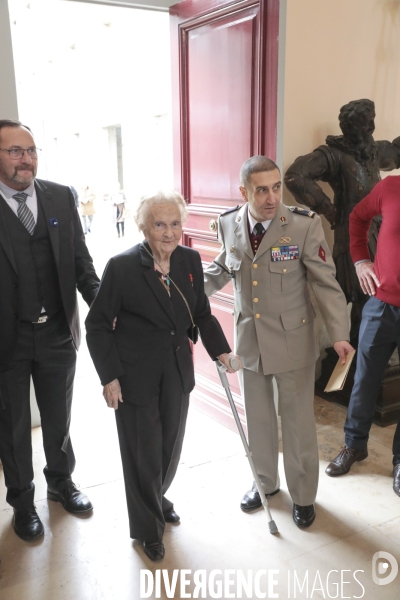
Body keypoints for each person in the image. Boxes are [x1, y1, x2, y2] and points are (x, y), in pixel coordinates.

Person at [85, 191, 241, 561]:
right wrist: (109, 377)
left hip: (176, 372)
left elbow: (201, 313)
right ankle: (147, 529)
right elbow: (97, 326)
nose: (169, 232)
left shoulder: (188, 260)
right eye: (159, 224)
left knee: (169, 448)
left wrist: (223, 351)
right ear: (144, 227)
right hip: (134, 376)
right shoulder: (122, 267)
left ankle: (156, 497)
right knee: (142, 454)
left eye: (175, 223)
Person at [204, 156, 353, 528]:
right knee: (259, 420)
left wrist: (339, 334)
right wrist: (179, 293)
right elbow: (222, 268)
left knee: (299, 423)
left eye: (276, 188)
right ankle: (265, 484)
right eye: (261, 190)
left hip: (292, 340)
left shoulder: (303, 225)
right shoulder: (228, 224)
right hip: (250, 342)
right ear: (244, 191)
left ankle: (303, 495)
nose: (272, 198)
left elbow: (325, 282)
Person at [0, 120, 100, 541]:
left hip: (59, 331)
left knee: (58, 417)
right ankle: (22, 501)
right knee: (13, 424)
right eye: (15, 151)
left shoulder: (60, 196)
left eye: (31, 149)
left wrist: (106, 305)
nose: (27, 158)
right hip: (7, 340)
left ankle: (61, 483)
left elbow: (82, 263)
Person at [284, 99, 400, 343]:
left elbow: (397, 152)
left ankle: (370, 351)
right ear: (351, 127)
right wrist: (331, 210)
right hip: (353, 237)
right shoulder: (333, 155)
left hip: (380, 235)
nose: (371, 129)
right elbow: (296, 175)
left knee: (378, 296)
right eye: (365, 124)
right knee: (361, 298)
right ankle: (354, 358)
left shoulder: (372, 150)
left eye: (372, 122)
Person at [325, 176, 400, 497]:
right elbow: (357, 218)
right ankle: (355, 446)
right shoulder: (390, 188)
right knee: (364, 379)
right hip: (381, 304)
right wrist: (360, 260)